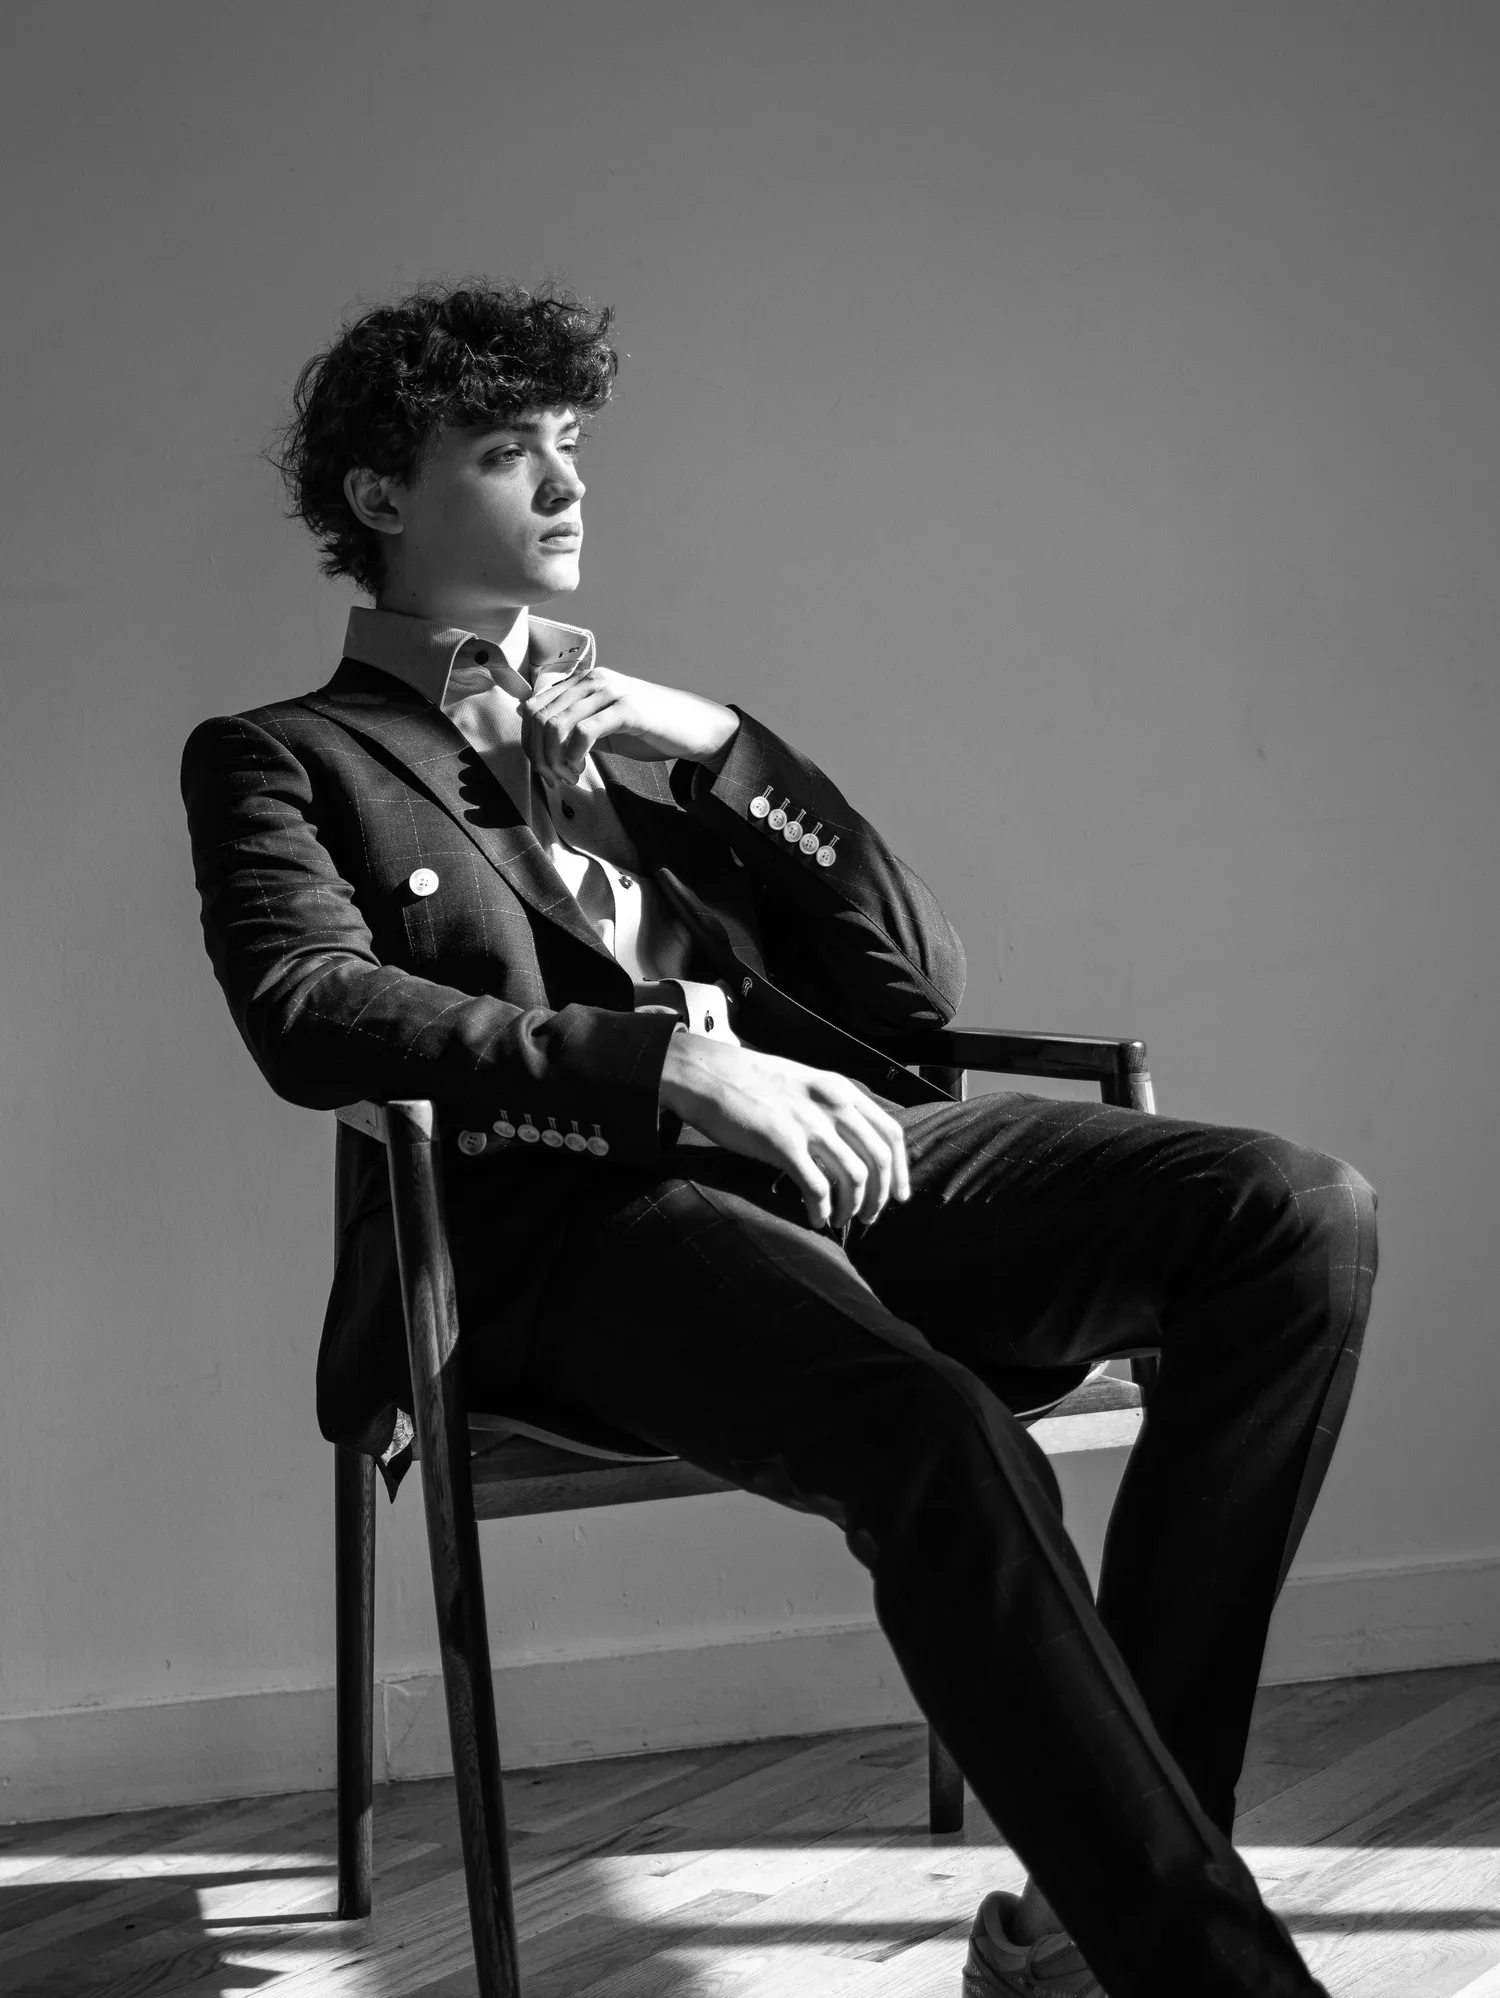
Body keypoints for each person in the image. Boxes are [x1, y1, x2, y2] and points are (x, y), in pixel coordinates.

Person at [181, 281, 1376, 1998]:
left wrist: (720, 741)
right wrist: (662, 1067)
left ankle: (1087, 1915)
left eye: (572, 446)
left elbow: (910, 990)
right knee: (946, 1438)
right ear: (380, 495)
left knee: (1295, 1213)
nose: (567, 485)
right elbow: (309, 1007)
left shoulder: (647, 764)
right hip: (582, 1229)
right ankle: (1197, 1968)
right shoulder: (286, 759)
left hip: (849, 1165)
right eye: (509, 452)